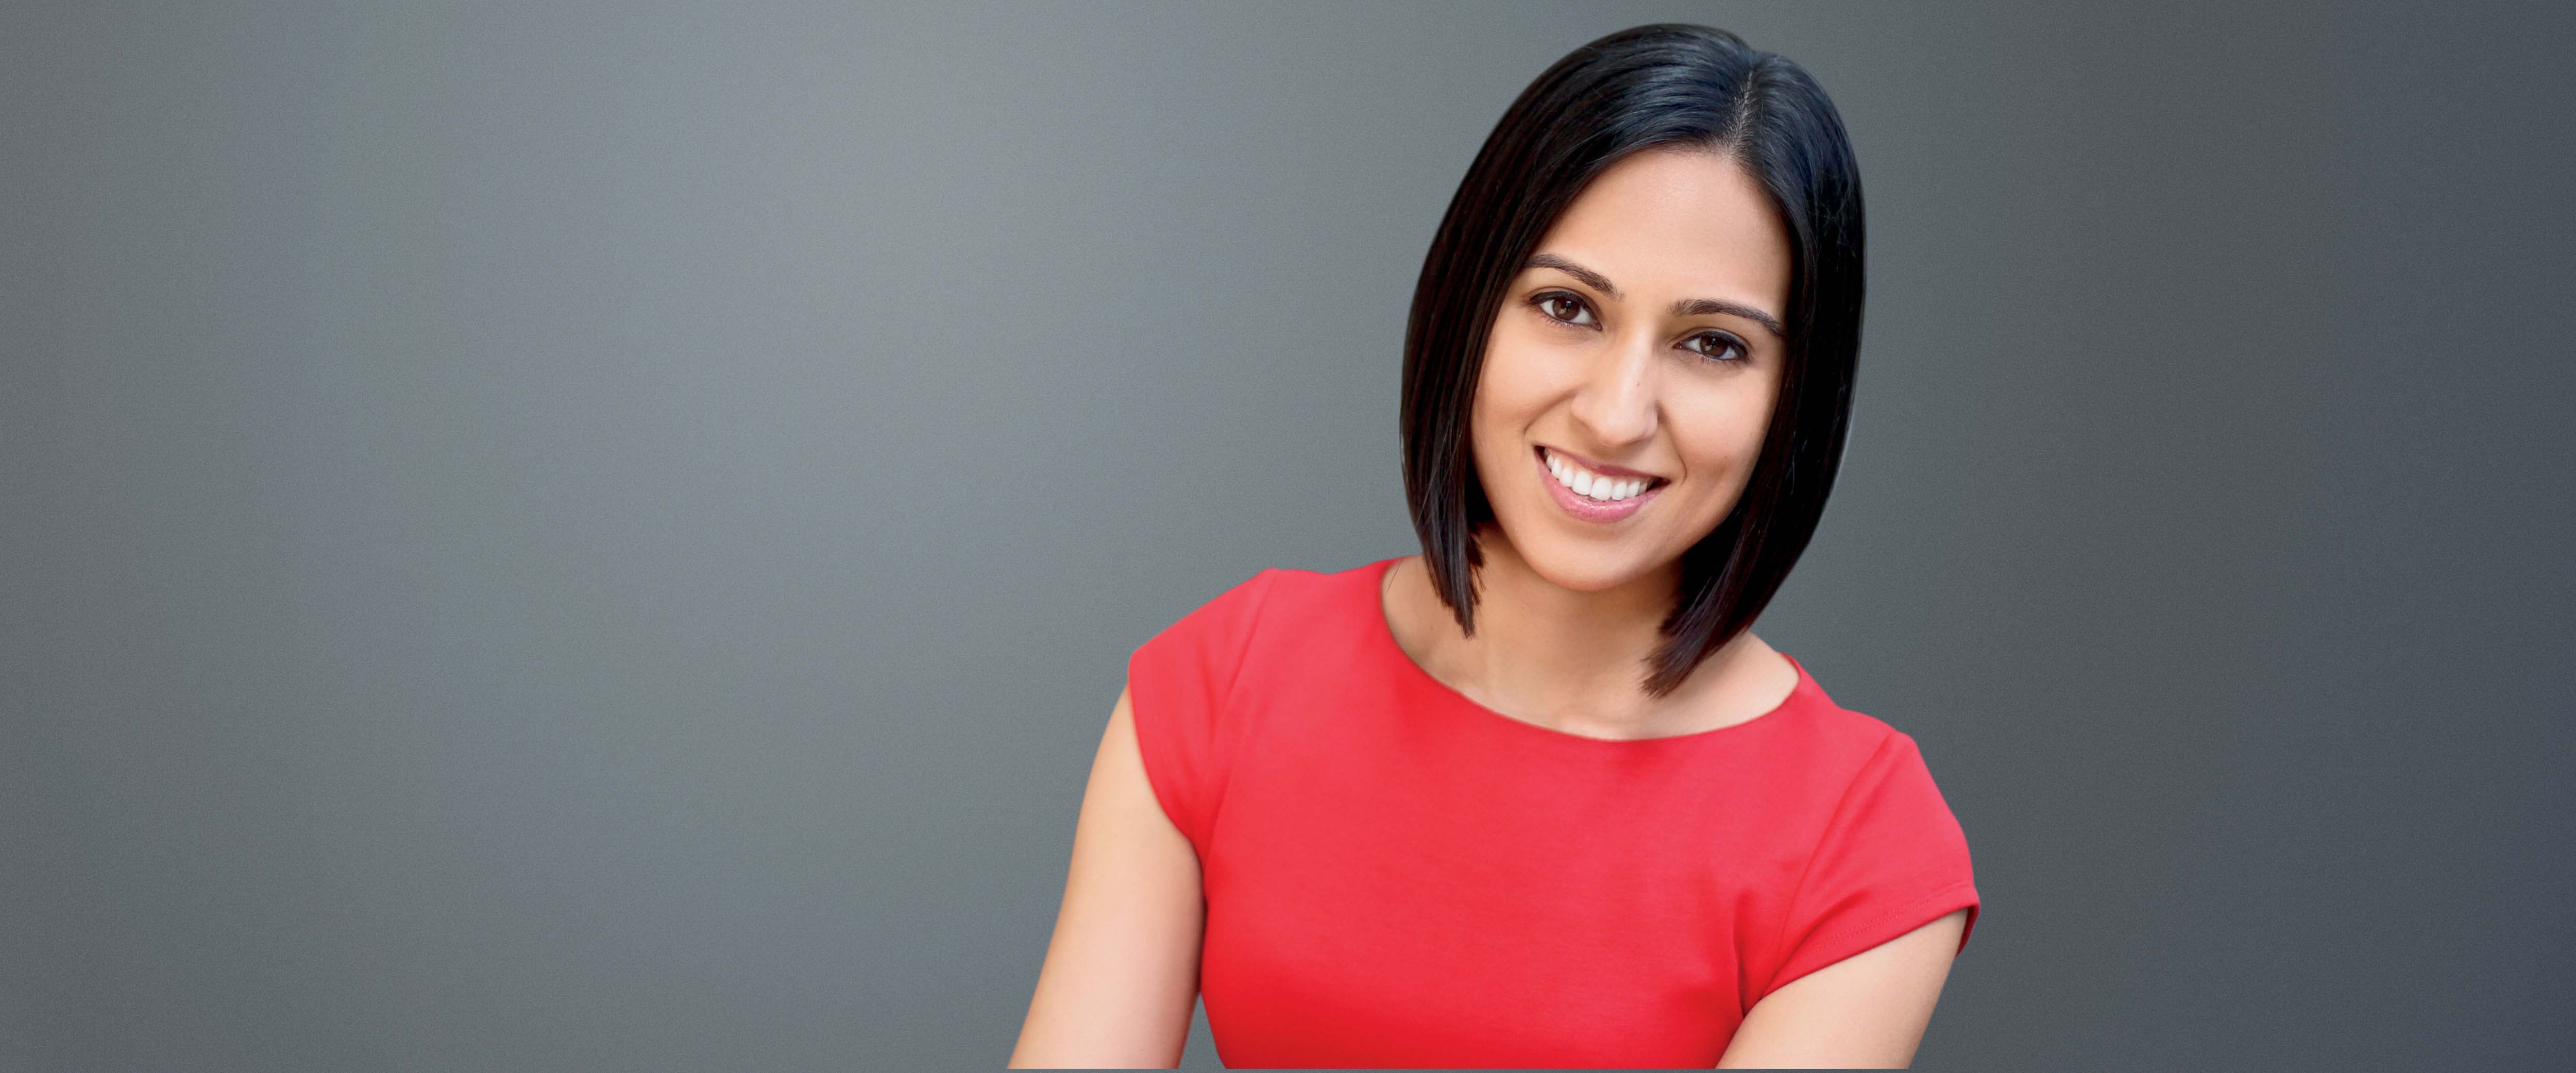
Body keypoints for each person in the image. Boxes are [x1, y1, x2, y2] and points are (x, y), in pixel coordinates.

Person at [1011, 23, 1978, 1069]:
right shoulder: (1223, 682)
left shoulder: (1863, 842)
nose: (1616, 414)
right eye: (1566, 307)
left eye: (1713, 344)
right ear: (1469, 309)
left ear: (1796, 397)